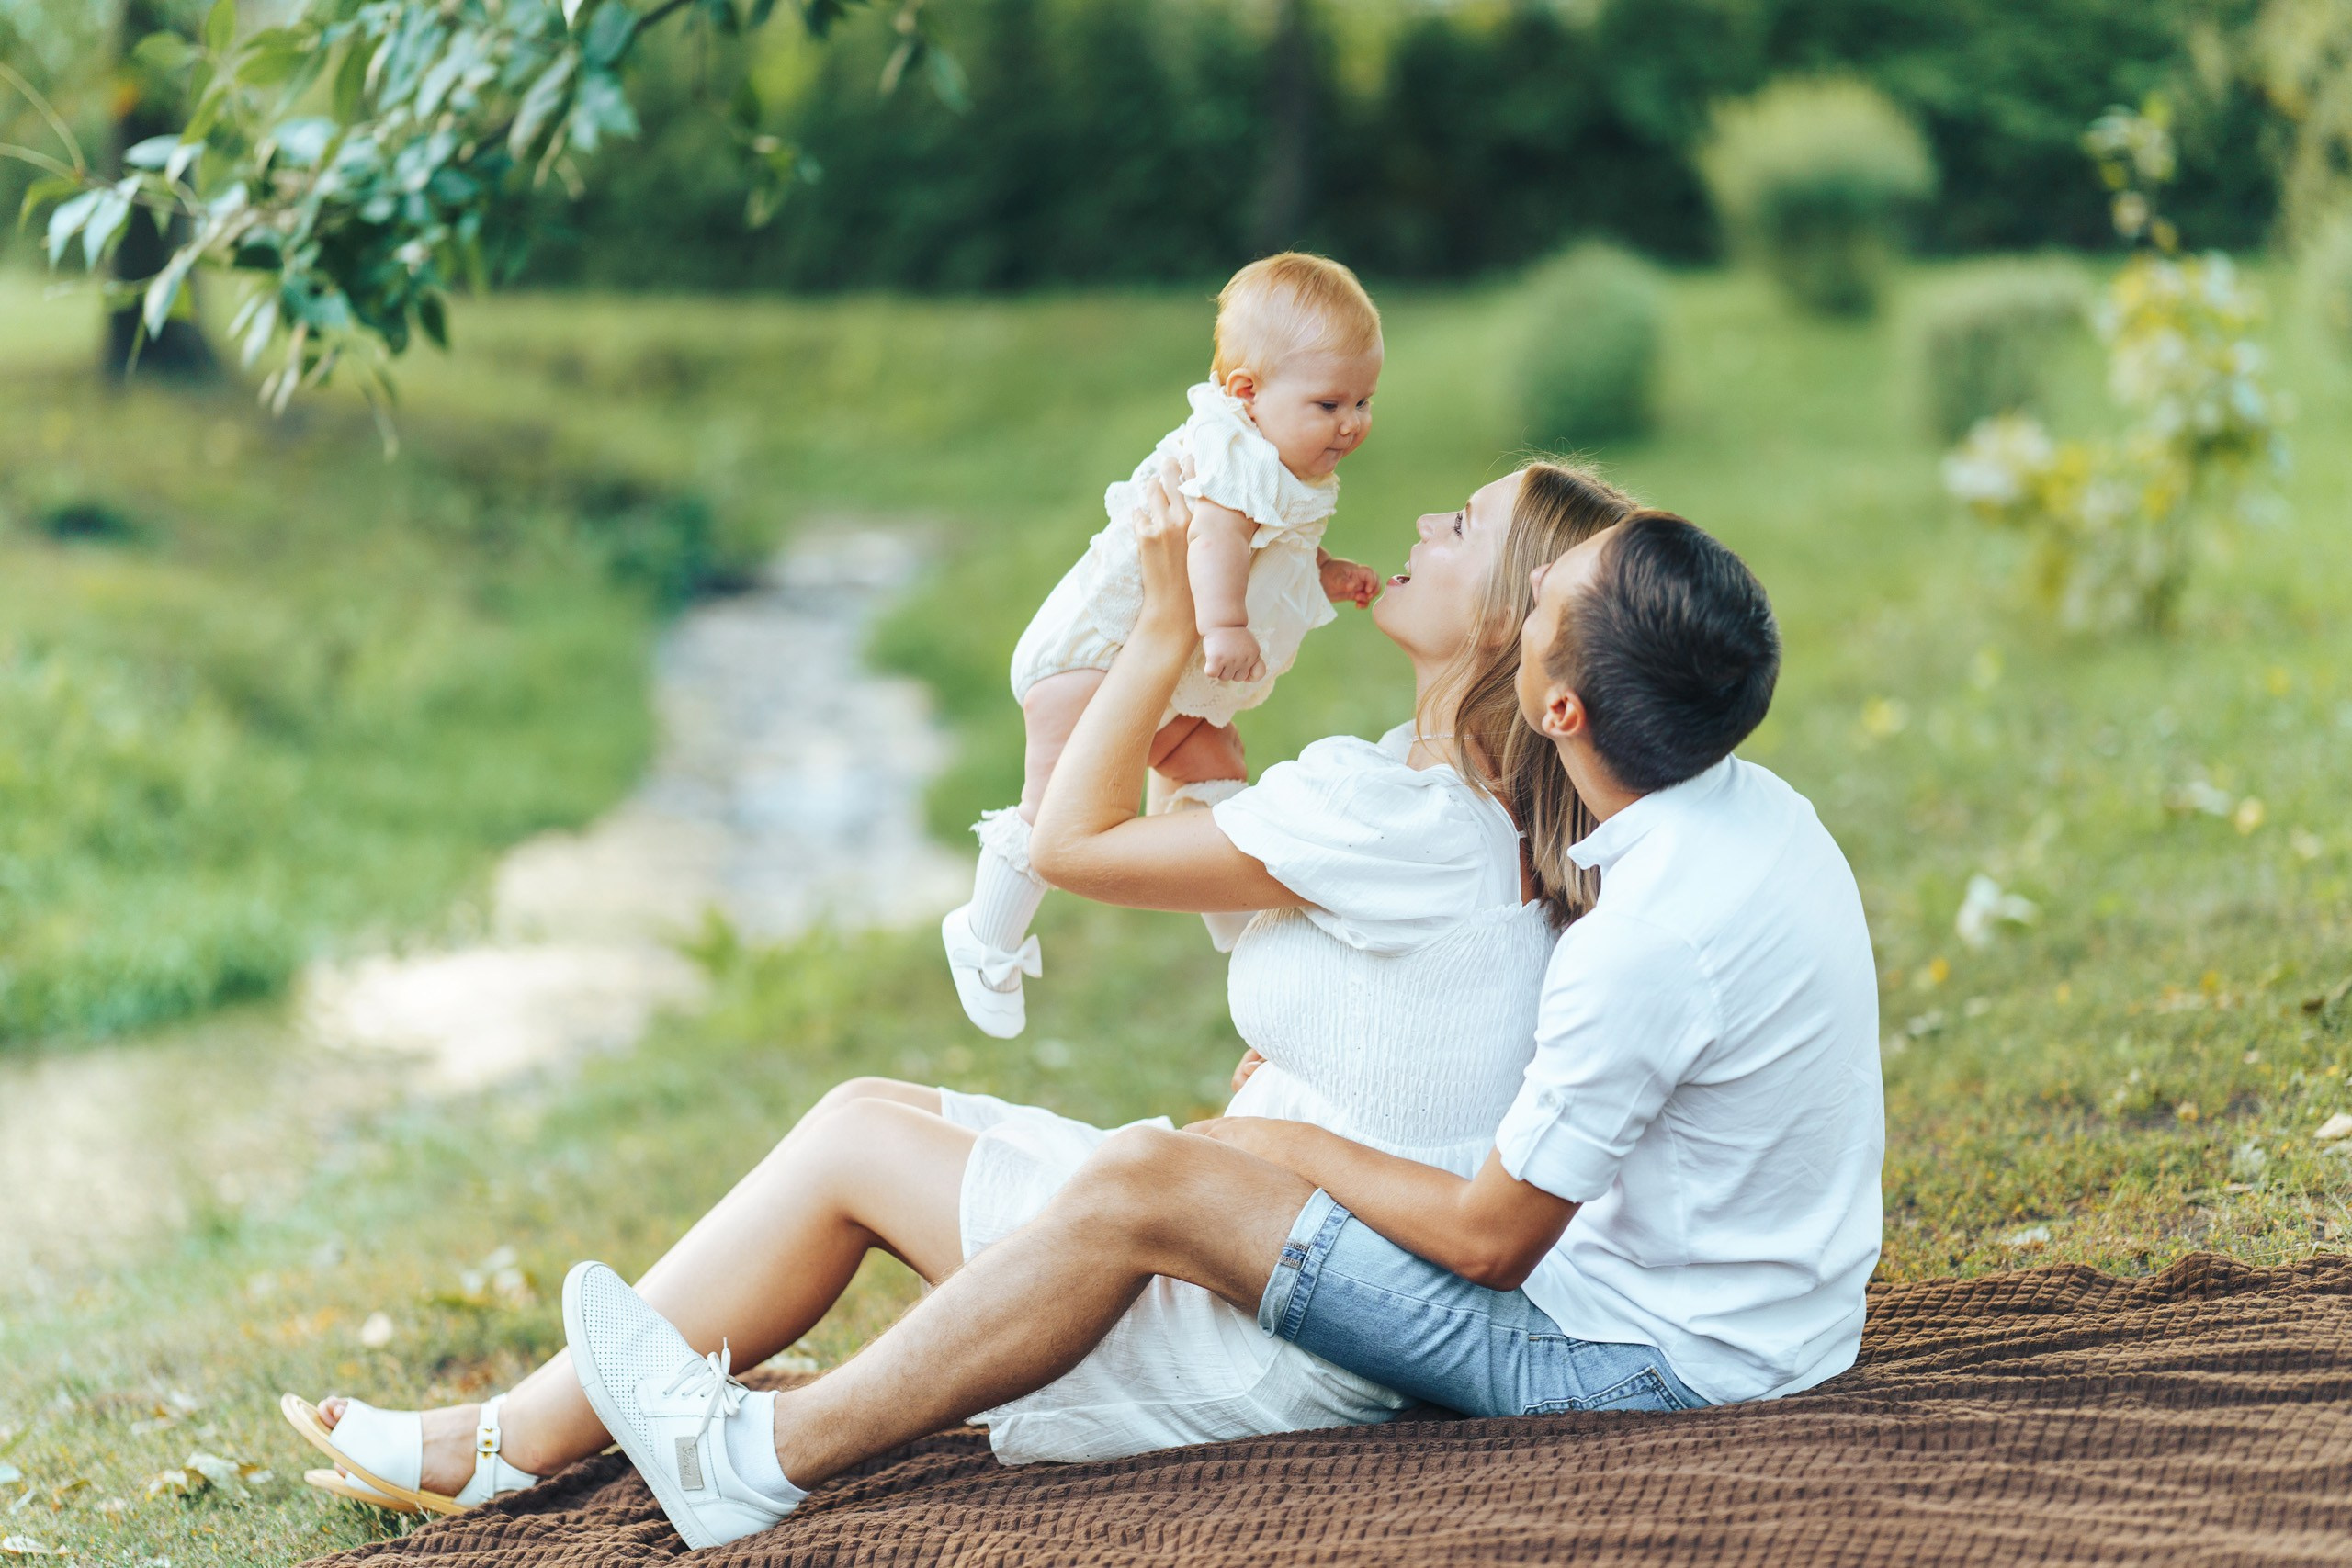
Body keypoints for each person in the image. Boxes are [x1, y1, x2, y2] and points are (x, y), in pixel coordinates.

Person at [280, 455, 1635, 1525]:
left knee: (855, 1142)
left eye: (1460, 525)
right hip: (1288, 1270)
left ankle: (498, 1446)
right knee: (874, 1099)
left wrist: (1163, 625)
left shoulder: (1389, 815)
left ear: (1512, 616)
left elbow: (1072, 848)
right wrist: (1191, 718)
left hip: (1265, 1322)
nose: (1421, 521)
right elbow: (1261, 893)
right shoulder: (1449, 810)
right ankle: (550, 1422)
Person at [541, 485, 1883, 1552]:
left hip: (1651, 1370)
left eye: (1541, 598)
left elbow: (1487, 1237)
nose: (1525, 583)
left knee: (1151, 1174)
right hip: (1765, 1319)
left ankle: (754, 1455)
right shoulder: (1751, 815)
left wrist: (1275, 1152)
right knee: (1147, 1164)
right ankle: (626, 1433)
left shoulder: (1640, 937)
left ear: (1560, 705)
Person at [944, 251, 1385, 1039]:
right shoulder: (1228, 454)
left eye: (1363, 400)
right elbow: (1215, 541)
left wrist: (1326, 574)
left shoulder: (1283, 457)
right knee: (1051, 808)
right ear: (1247, 393)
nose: (1350, 422)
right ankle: (983, 935)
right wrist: (1222, 627)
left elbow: (1270, 554)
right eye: (1329, 402)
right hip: (1091, 659)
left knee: (1215, 764)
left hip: (1169, 682)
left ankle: (1248, 940)